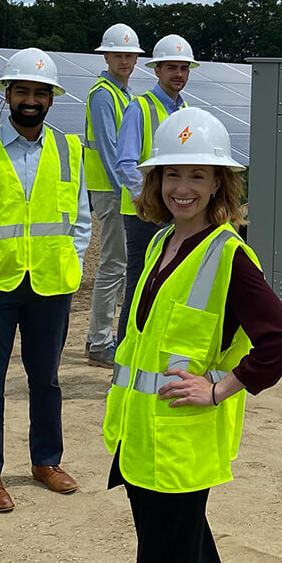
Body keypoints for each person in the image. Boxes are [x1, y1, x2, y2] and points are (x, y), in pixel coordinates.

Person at [103, 108, 282, 563]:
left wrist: (222, 387)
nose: (181, 187)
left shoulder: (228, 256)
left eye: (197, 175)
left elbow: (279, 340)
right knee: (189, 559)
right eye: (170, 175)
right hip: (143, 440)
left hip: (181, 447)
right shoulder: (164, 240)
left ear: (220, 184)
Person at [0, 48, 92, 513]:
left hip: (52, 283)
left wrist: (72, 262)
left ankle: (46, 461)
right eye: (22, 90)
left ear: (51, 99)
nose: (31, 99)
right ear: (7, 95)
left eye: (40, 92)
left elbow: (81, 220)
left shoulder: (69, 149)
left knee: (46, 380)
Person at [114, 33, 196, 345]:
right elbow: (126, 163)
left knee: (172, 287)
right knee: (139, 290)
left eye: (184, 68)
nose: (179, 74)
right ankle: (125, 362)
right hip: (145, 216)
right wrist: (152, 204)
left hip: (178, 213)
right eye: (172, 67)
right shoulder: (141, 108)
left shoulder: (185, 112)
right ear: (157, 70)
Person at [83, 23, 142, 368]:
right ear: (106, 56)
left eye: (129, 55)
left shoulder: (124, 94)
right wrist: (131, 192)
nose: (125, 60)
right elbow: (108, 150)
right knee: (114, 266)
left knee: (120, 265)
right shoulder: (104, 94)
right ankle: (100, 340)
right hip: (112, 191)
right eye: (118, 54)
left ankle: (105, 336)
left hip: (120, 190)